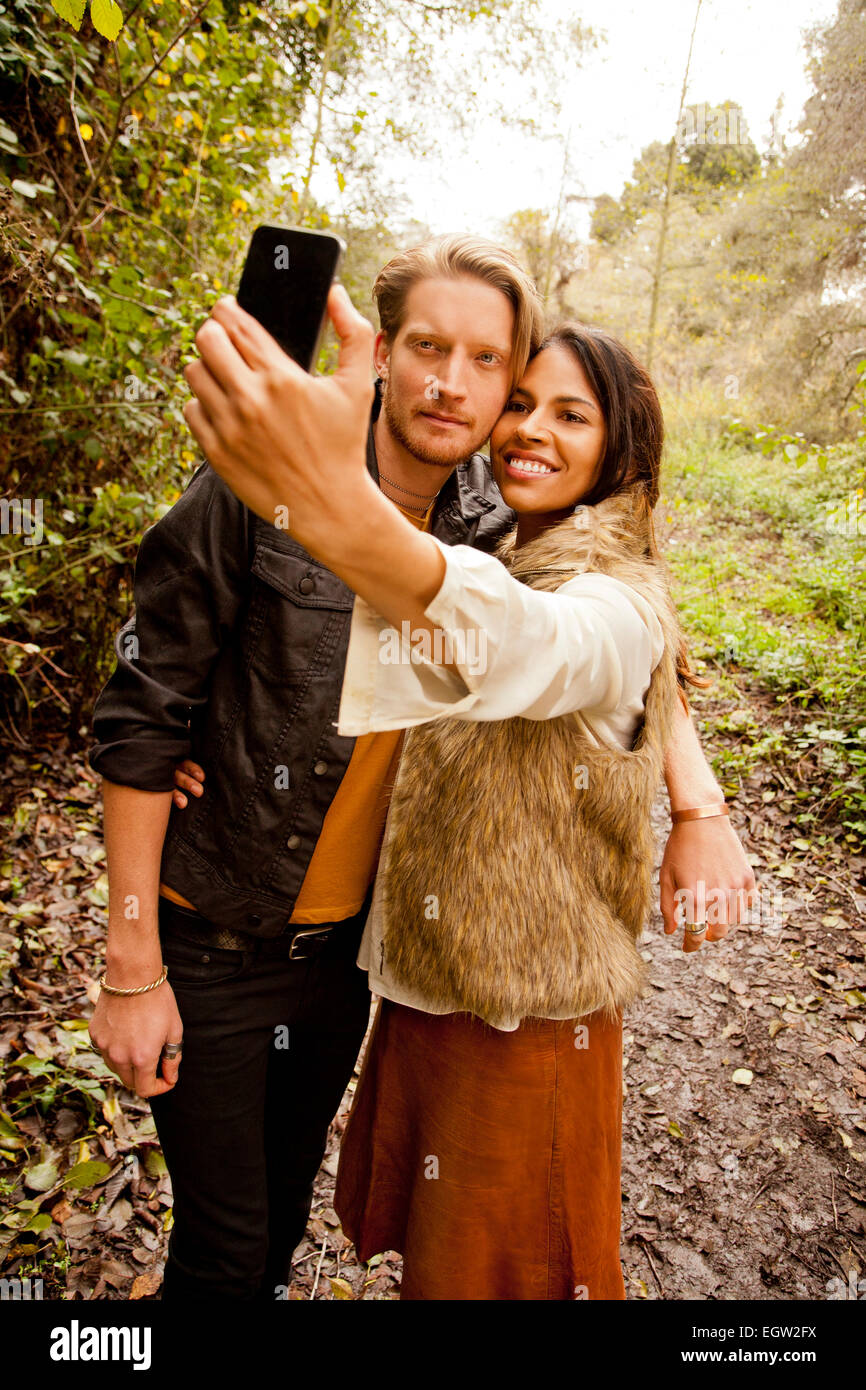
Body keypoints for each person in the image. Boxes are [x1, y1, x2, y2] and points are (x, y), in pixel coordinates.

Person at [89, 235, 753, 1303]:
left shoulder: (491, 522)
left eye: (489, 361)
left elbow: (573, 640)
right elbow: (140, 713)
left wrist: (693, 802)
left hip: (347, 955)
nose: (455, 382)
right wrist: (131, 966)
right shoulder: (257, 484)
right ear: (382, 353)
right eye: (430, 348)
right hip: (213, 936)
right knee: (220, 1252)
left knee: (266, 1234)